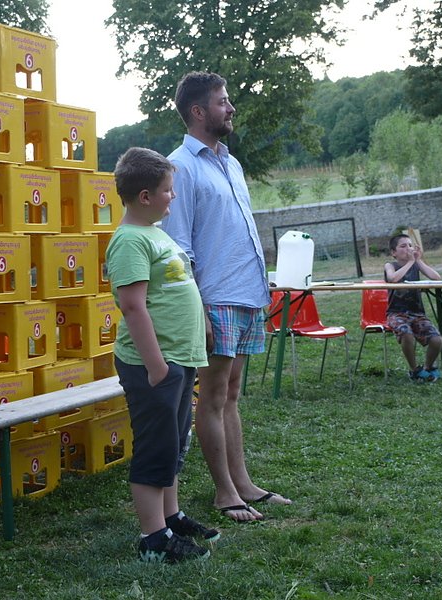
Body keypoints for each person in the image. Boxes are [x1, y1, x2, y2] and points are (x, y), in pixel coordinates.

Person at [160, 71, 292, 523]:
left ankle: (244, 483)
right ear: (198, 112)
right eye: (222, 101)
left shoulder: (229, 163)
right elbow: (179, 248)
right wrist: (199, 310)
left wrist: (263, 280)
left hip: (246, 293)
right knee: (212, 397)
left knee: (232, 394)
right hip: (213, 298)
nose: (230, 108)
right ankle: (223, 493)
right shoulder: (179, 167)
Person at [107, 147, 219, 564]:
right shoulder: (130, 241)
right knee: (155, 449)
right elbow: (133, 306)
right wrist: (156, 366)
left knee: (173, 444)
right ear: (144, 196)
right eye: (167, 190)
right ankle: (153, 538)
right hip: (153, 364)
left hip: (178, 360)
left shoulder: (155, 232)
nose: (173, 197)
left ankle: (171, 517)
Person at [384, 233, 442, 382]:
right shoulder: (390, 265)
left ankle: (428, 367)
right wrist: (411, 262)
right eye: (403, 246)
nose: (408, 249)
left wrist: (418, 260)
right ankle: (414, 370)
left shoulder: (416, 264)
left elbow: (436, 278)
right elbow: (393, 279)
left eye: (410, 245)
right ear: (393, 252)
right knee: (407, 334)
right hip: (396, 313)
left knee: (437, 340)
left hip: (417, 314)